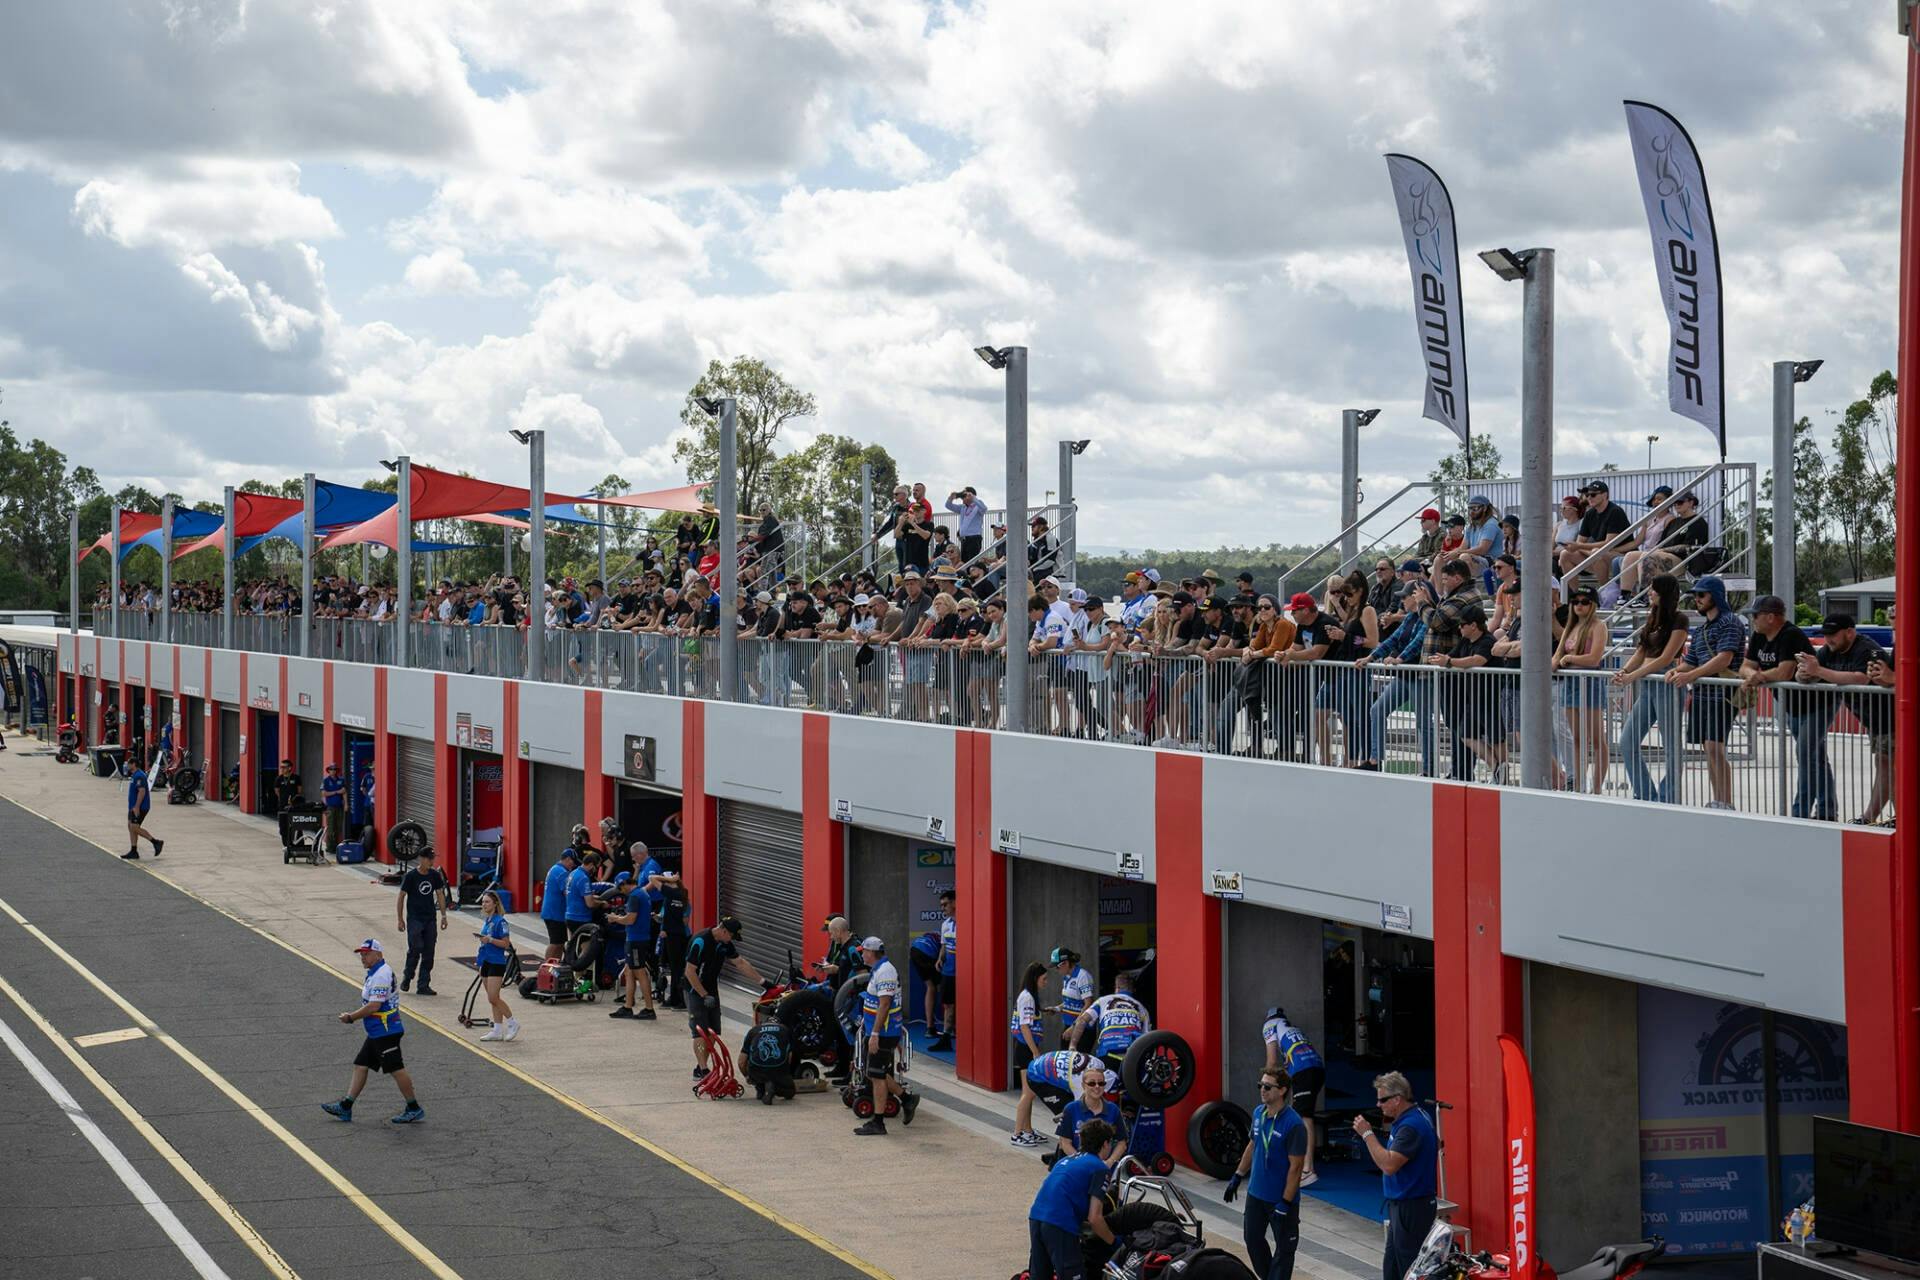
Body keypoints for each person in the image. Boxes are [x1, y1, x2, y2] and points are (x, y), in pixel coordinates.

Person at [1798, 614, 1895, 824]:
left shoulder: (1866, 648)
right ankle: (1876, 817)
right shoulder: (1830, 651)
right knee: (1885, 765)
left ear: (1850, 632)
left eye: (1832, 634)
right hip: (1876, 721)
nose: (1828, 639)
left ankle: (1886, 817)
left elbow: (1861, 678)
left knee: (1890, 767)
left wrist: (1819, 671)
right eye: (1825, 635)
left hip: (1892, 717)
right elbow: (1816, 671)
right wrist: (1804, 674)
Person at [1742, 595, 1829, 821]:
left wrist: (1757, 676)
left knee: (1806, 754)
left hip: (1816, 703)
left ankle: (1800, 812)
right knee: (1815, 757)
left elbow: (1784, 672)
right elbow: (1745, 666)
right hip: (1792, 706)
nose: (1753, 620)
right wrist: (1753, 676)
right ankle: (1827, 808)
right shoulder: (1759, 636)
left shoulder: (1791, 635)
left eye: (1756, 616)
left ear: (1771, 617)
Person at [321, 939, 425, 1125]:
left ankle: (413, 1107)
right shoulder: (375, 972)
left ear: (379, 955)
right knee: (361, 1065)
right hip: (378, 1032)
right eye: (361, 954)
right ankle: (346, 1106)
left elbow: (374, 1006)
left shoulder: (381, 975)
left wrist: (351, 1017)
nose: (363, 957)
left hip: (386, 1032)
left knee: (396, 1069)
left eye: (366, 954)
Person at [1667, 575, 1746, 810]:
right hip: (1703, 695)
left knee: (1715, 746)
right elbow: (1690, 661)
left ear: (1716, 595)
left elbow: (1725, 659)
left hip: (1722, 694)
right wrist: (1675, 671)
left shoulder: (1730, 622)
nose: (1697, 600)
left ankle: (1726, 800)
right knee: (1708, 747)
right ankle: (1718, 798)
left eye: (1702, 595)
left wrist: (1690, 675)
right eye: (1695, 595)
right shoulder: (1702, 629)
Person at [1613, 574, 1689, 804]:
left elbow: (1666, 657)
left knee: (1671, 746)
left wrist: (1633, 675)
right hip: (1648, 685)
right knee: (1627, 741)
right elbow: (1641, 651)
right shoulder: (1652, 618)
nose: (1649, 592)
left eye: (1653, 589)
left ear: (1664, 592)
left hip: (1666, 685)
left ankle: (1668, 796)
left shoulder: (1679, 620)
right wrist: (1624, 671)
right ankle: (1645, 793)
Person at [1354, 1072, 1437, 1280]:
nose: (1378, 1104)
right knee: (1392, 1267)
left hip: (1411, 1208)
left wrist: (1367, 1134)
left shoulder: (1410, 1126)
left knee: (1407, 1269)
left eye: (1382, 1099)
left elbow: (1389, 1164)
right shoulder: (1411, 1118)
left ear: (1397, 1099)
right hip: (1403, 1205)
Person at [1227, 1068, 1308, 1280]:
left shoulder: (1294, 1124)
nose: (1262, 1090)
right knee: (1252, 1239)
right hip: (1256, 1194)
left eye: (1267, 1087)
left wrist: (1285, 1203)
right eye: (1260, 1085)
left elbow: (1296, 1167)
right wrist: (1238, 1175)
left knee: (1284, 1250)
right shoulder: (1258, 1113)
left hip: (1280, 1199)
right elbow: (1253, 1145)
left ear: (1282, 1090)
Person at [1027, 1117, 1118, 1280]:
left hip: (1036, 1217)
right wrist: (1114, 1242)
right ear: (1105, 1143)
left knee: (1039, 1276)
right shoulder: (1100, 1168)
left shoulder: (1065, 1160)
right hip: (1060, 1222)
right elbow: (1095, 1218)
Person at [684, 916, 764, 1082]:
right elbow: (689, 972)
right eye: (732, 936)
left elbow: (740, 963)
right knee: (699, 1031)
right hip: (695, 989)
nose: (732, 940)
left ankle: (703, 1065)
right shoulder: (700, 941)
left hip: (711, 989)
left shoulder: (724, 943)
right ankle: (702, 1068)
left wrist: (762, 982)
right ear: (724, 930)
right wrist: (703, 995)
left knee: (712, 1031)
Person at [854, 935, 919, 1135]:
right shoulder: (878, 970)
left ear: (872, 953)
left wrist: (874, 1034)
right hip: (877, 1030)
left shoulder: (886, 972)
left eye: (864, 951)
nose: (862, 955)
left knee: (877, 1075)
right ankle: (907, 1099)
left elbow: (885, 1004)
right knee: (874, 1073)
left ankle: (879, 1123)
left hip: (883, 1033)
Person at [1261, 1009, 1323, 1186]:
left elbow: (1272, 1062)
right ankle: (1298, 1163)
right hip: (1316, 1068)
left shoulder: (1270, 1025)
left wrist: (1266, 1084)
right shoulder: (1292, 1028)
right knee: (1299, 1113)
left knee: (1304, 1117)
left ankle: (1307, 1170)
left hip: (1303, 1070)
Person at [395, 847, 450, 995]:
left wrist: (444, 916)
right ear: (421, 859)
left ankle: (423, 984)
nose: (431, 862)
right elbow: (401, 897)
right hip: (415, 918)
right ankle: (408, 976)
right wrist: (400, 919)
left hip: (430, 918)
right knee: (416, 948)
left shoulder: (434, 875)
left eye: (433, 859)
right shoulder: (411, 876)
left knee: (429, 952)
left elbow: (440, 894)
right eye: (429, 859)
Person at [1070, 972, 1150, 1069]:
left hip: (1107, 1052)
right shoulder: (1142, 1008)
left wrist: (1072, 1046)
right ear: (1133, 990)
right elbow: (1147, 1037)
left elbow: (1082, 1020)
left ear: (1116, 988)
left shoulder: (1103, 1000)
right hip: (1132, 1056)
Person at [1055, 1064, 1126, 1167]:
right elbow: (1064, 1143)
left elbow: (1122, 1143)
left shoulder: (1113, 1110)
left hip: (1104, 1169)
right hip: (1077, 1167)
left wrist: (1109, 1162)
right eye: (1092, 1083)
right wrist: (1083, 1162)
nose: (1097, 1087)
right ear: (1083, 1085)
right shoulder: (1071, 1109)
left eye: (1101, 1083)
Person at [472, 890, 518, 1042]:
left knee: (494, 996)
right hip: (485, 960)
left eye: (487, 902)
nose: (484, 905)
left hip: (496, 962)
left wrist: (490, 940)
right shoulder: (488, 920)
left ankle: (512, 1022)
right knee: (492, 999)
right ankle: (497, 1029)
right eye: (483, 902)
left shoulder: (500, 922)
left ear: (495, 904)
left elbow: (505, 944)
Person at [539, 848, 579, 962]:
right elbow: (568, 893)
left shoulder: (555, 868)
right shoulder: (561, 872)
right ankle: (546, 968)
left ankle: (555, 966)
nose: (574, 865)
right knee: (555, 942)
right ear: (567, 859)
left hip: (554, 912)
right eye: (573, 862)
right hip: (554, 913)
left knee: (560, 943)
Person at [1049, 947, 1095, 1047]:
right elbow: (1069, 1002)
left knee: (1076, 1061)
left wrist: (1074, 1027)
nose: (1056, 970)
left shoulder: (1083, 976)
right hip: (1069, 1025)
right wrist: (1056, 1009)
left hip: (1082, 1028)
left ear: (1065, 963)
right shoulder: (1066, 976)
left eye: (1057, 967)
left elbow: (1088, 1004)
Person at [930, 888, 957, 1051]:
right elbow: (944, 945)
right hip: (948, 971)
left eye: (945, 904)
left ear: (955, 902)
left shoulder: (966, 921)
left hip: (964, 972)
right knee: (947, 1005)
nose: (943, 908)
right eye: (941, 905)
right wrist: (940, 958)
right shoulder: (945, 924)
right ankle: (946, 1037)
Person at [121, 760, 163, 859]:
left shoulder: (139, 776)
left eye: (129, 764)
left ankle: (156, 842)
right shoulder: (134, 775)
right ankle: (133, 850)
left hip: (140, 807)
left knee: (134, 827)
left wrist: (137, 807)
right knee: (131, 826)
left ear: (134, 764)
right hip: (132, 806)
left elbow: (142, 792)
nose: (127, 766)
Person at [320, 761, 346, 854]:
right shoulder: (326, 781)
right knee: (330, 827)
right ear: (328, 771)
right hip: (330, 807)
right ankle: (330, 847)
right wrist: (336, 792)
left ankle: (337, 846)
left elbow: (344, 792)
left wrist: (346, 804)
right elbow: (324, 793)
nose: (333, 771)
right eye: (331, 769)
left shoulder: (341, 780)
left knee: (338, 827)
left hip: (339, 806)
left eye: (334, 769)